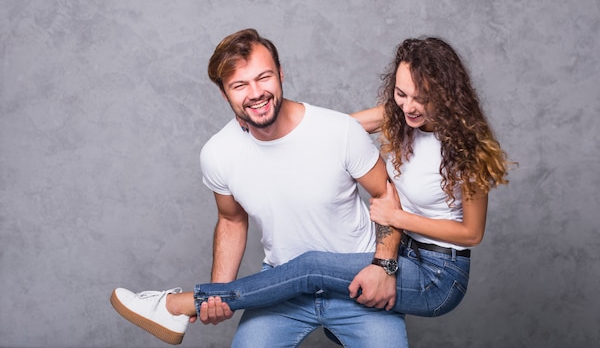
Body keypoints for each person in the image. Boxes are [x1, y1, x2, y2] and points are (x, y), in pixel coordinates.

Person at [111, 35, 513, 346]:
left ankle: (179, 304)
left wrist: (390, 242)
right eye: (401, 93)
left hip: (414, 272)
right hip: (344, 268)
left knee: (312, 265)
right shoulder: (399, 119)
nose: (409, 106)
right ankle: (198, 302)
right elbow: (330, 130)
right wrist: (258, 116)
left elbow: (469, 233)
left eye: (421, 98)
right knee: (304, 270)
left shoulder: (465, 148)